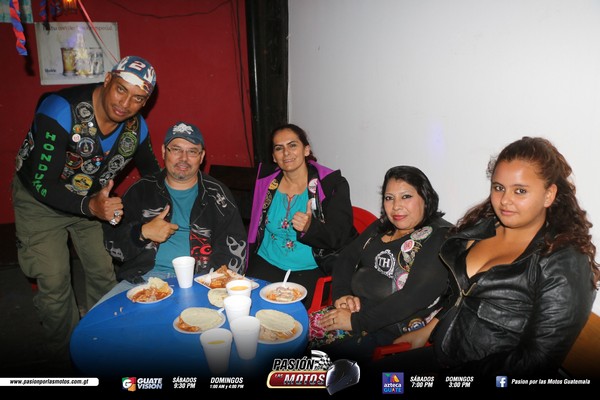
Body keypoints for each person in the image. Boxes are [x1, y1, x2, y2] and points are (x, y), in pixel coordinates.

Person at [376, 137, 600, 381]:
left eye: (520, 191)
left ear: (549, 194)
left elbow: (536, 361)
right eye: (499, 187)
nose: (505, 200)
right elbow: (462, 294)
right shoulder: (484, 228)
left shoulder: (563, 261)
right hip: (441, 357)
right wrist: (429, 329)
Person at [12, 55, 160, 366]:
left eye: (137, 98)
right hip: (39, 201)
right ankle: (66, 357)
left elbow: (152, 176)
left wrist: (178, 197)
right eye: (121, 89)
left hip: (93, 201)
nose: (125, 104)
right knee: (54, 281)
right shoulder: (60, 111)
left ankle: (102, 343)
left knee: (103, 273)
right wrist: (90, 206)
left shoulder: (137, 129)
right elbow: (42, 183)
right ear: (107, 80)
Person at [309, 166, 453, 364]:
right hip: (355, 309)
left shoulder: (439, 236)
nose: (396, 206)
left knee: (319, 363)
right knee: (292, 336)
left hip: (389, 327)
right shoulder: (382, 226)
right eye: (389, 198)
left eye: (406, 197)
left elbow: (412, 298)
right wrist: (342, 295)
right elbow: (347, 257)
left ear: (425, 198)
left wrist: (354, 322)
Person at [100, 121, 247, 299]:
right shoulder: (141, 190)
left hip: (200, 280)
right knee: (99, 316)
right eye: (176, 149)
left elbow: (234, 250)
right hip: (143, 279)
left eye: (192, 151)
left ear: (201, 156)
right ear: (164, 151)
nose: (184, 158)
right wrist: (142, 233)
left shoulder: (218, 195)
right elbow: (114, 246)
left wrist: (211, 283)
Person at [246, 123, 357, 307]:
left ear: (306, 150)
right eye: (279, 148)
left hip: (309, 268)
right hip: (266, 260)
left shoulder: (330, 184)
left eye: (292, 145)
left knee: (289, 316)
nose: (286, 153)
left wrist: (310, 227)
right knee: (247, 306)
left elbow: (340, 236)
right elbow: (253, 229)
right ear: (273, 157)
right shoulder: (265, 182)